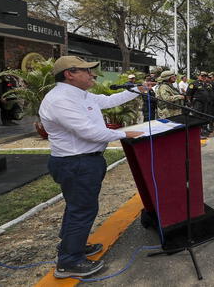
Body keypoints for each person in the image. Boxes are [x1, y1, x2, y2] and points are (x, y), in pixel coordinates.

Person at [39, 56, 146, 278]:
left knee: (77, 207)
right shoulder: (60, 100)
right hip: (75, 162)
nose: (92, 75)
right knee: (82, 210)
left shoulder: (80, 95)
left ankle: (71, 246)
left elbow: (107, 101)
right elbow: (88, 132)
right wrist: (125, 134)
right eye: (86, 71)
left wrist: (136, 90)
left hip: (84, 160)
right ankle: (68, 262)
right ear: (70, 74)